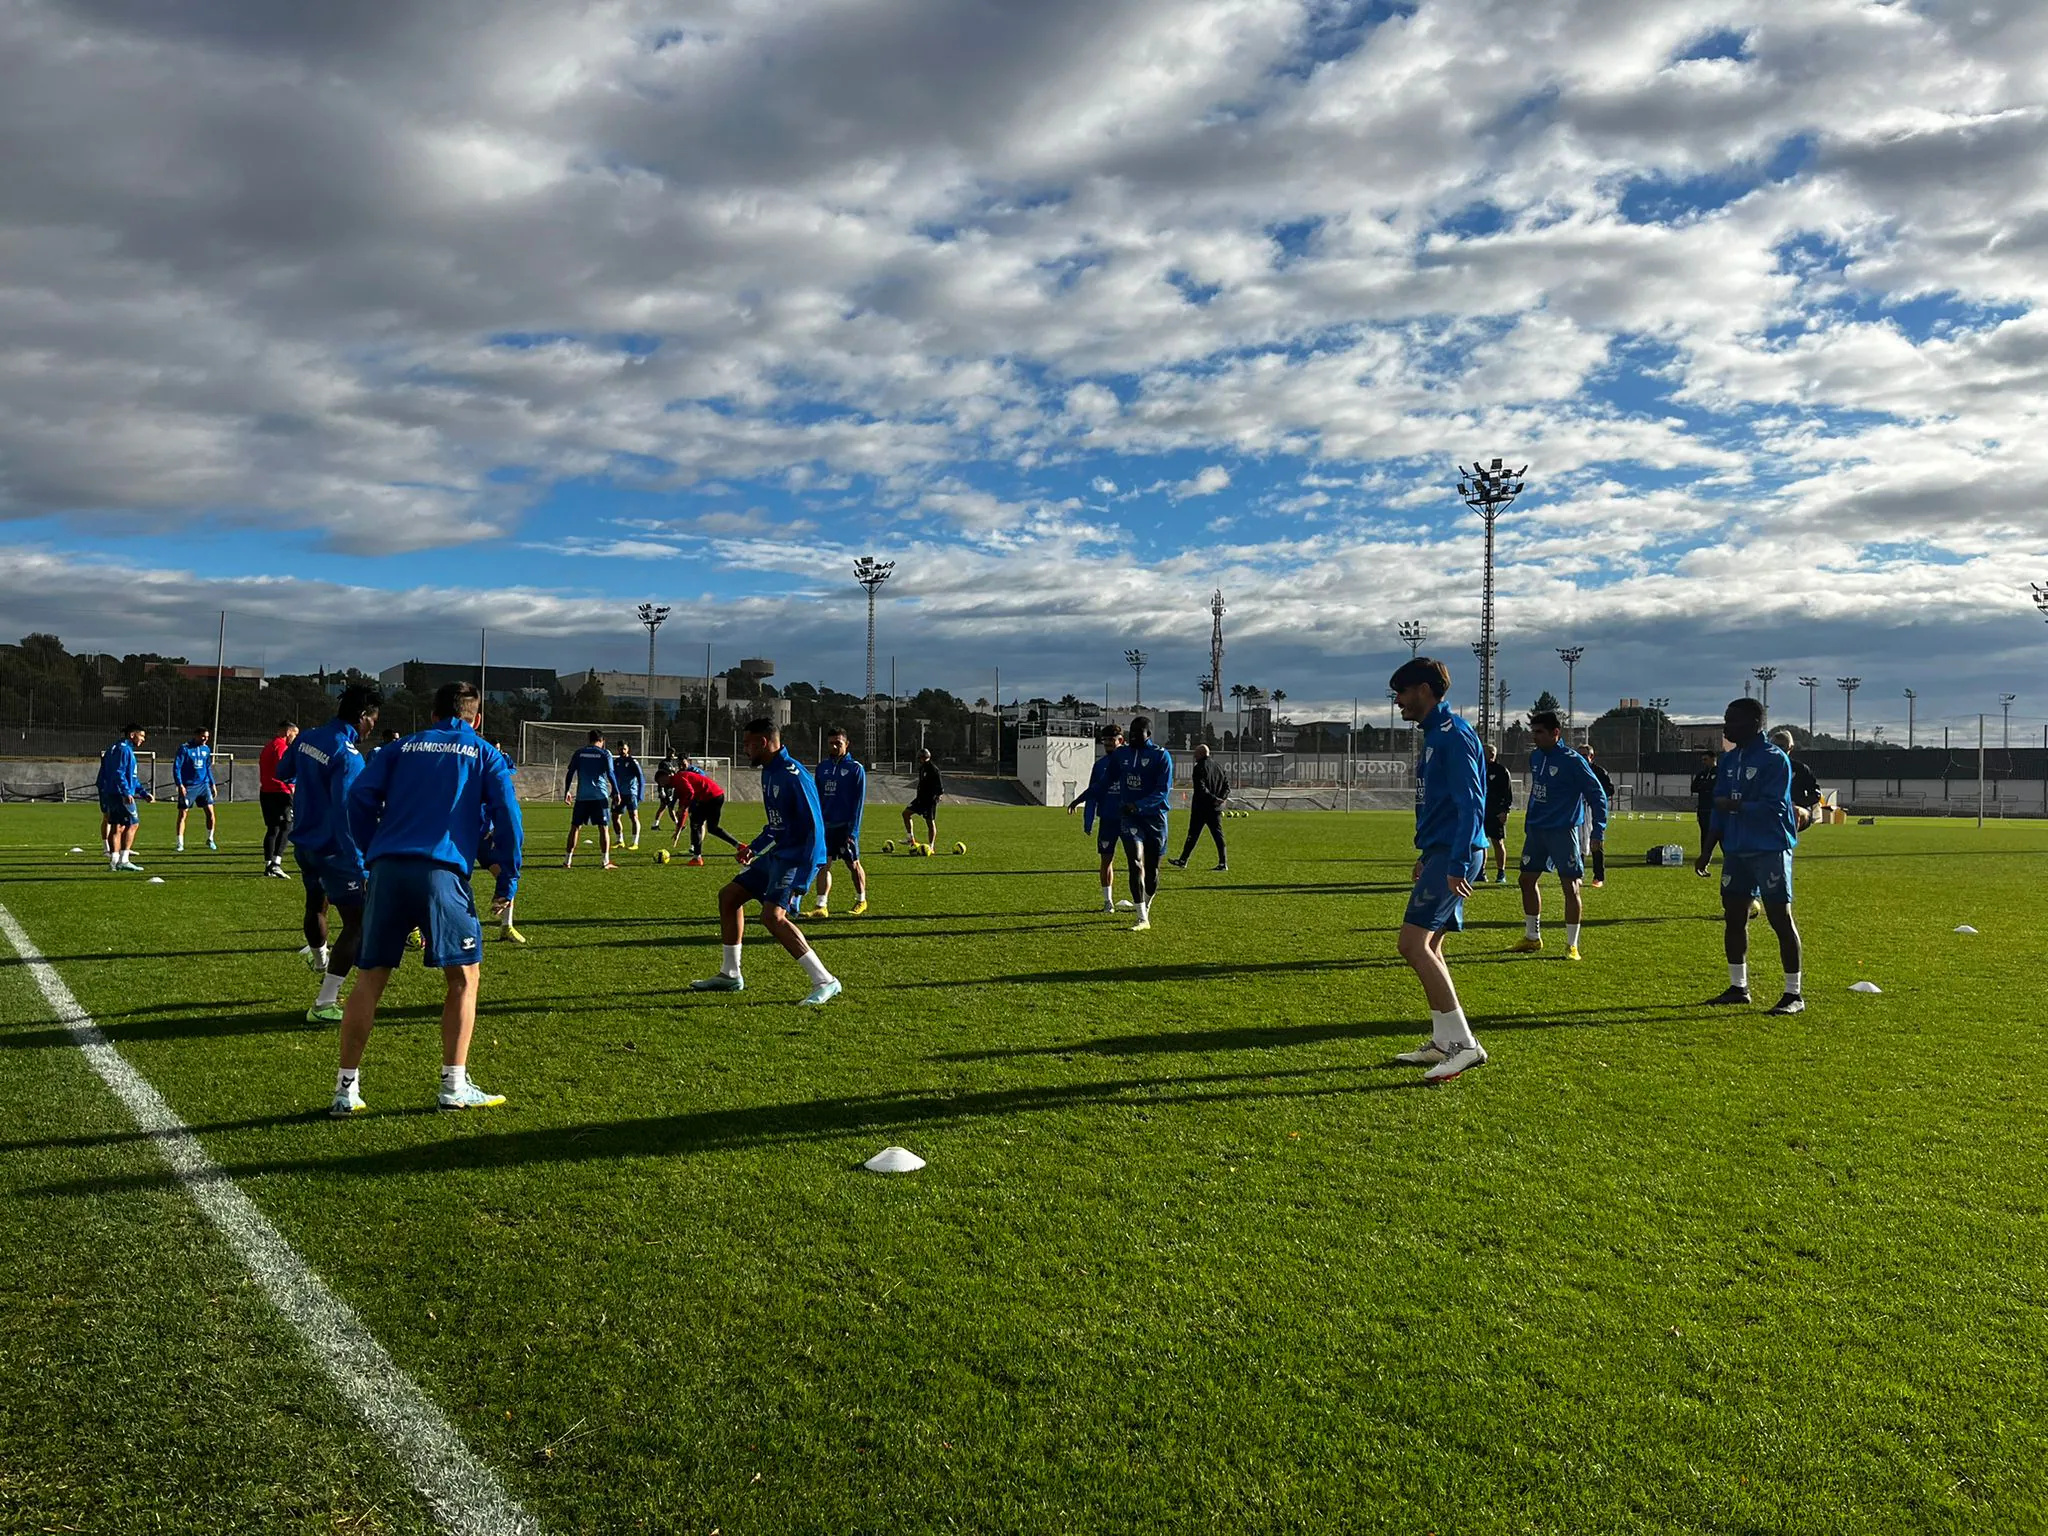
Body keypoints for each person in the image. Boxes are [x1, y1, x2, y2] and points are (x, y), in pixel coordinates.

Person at [333, 680, 524, 1115]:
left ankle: (346, 1090)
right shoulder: (483, 752)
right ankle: (453, 1085)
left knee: (369, 978)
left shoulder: (399, 749)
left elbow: (359, 797)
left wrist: (371, 849)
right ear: (477, 718)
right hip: (441, 873)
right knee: (463, 978)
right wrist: (507, 878)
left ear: (432, 714)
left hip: (387, 869)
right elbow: (508, 818)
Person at [1386, 658, 1489, 1083]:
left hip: (1456, 853)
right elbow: (1442, 805)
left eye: (1403, 693)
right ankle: (1445, 1040)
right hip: (1442, 852)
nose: (1398, 702)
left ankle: (1465, 1045)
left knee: (1411, 945)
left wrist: (1457, 861)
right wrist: (1428, 853)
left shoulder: (1454, 735)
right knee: (1433, 947)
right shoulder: (1434, 736)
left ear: (1425, 690)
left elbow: (1472, 805)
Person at [688, 718, 840, 1006]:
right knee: (729, 897)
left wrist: (802, 878)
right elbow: (778, 822)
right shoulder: (770, 771)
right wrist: (754, 848)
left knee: (772, 917)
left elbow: (814, 828)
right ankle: (731, 974)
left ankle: (825, 980)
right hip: (778, 854)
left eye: (747, 744)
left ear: (763, 743)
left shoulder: (793, 775)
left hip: (797, 857)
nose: (744, 750)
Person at [1695, 697, 1804, 1016]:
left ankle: (1793, 994)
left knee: (1779, 918)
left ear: (1754, 724)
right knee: (1734, 916)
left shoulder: (1774, 760)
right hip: (1737, 850)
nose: (1725, 726)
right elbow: (1718, 807)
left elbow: (1776, 808)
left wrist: (1738, 806)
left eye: (1731, 720)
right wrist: (1707, 850)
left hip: (1769, 848)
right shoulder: (1728, 761)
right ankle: (1738, 987)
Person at [286, 685, 380, 1023]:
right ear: (362, 716)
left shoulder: (308, 736)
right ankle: (325, 1003)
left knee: (316, 904)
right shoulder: (349, 754)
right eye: (372, 719)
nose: (372, 726)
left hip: (305, 845)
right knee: (359, 924)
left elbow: (284, 773)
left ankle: (319, 958)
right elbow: (345, 813)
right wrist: (356, 860)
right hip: (335, 851)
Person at [1510, 710, 1609, 961]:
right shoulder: (1536, 757)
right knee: (1526, 880)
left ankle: (1571, 945)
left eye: (1540, 732)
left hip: (1562, 831)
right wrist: (1529, 822)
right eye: (1533, 732)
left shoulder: (1573, 760)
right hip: (1537, 831)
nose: (1535, 738)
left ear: (1556, 732)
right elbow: (1537, 793)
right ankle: (1533, 938)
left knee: (1570, 886)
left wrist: (1598, 830)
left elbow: (1597, 795)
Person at [1108, 715, 1173, 932]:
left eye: (1138, 733)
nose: (1133, 737)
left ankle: (1146, 903)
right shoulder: (1121, 755)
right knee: (1135, 863)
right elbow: (1106, 781)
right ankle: (1141, 916)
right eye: (1131, 733)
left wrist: (1139, 805)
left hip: (1155, 818)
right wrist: (1084, 798)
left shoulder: (1161, 757)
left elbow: (1162, 791)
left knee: (1152, 871)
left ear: (1149, 734)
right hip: (1130, 817)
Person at [1066, 725, 1129, 913]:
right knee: (1106, 860)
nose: (1108, 743)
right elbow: (1094, 792)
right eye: (1105, 740)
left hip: (1129, 819)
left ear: (1121, 740)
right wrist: (1088, 818)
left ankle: (1140, 901)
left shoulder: (1130, 762)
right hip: (1108, 819)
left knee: (1136, 860)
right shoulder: (1100, 765)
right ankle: (1107, 901)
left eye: (1112, 739)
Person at [811, 726, 869, 918]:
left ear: (847, 744)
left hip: (845, 827)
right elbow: (816, 798)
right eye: (831, 743)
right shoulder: (822, 768)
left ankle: (861, 900)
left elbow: (858, 804)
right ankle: (821, 906)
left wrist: (852, 832)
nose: (835, 746)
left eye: (839, 743)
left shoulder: (855, 769)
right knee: (823, 865)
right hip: (825, 826)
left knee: (853, 864)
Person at [96, 724, 153, 872]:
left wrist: (143, 793)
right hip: (119, 793)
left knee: (117, 826)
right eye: (142, 736)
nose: (143, 740)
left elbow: (130, 777)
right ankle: (124, 860)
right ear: (132, 735)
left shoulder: (116, 748)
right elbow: (119, 773)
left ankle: (114, 862)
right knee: (133, 824)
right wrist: (127, 792)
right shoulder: (124, 750)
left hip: (111, 792)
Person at [562, 729, 617, 870]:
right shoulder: (604, 754)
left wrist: (567, 790)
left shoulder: (579, 753)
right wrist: (616, 791)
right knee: (603, 828)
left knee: (575, 827)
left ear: (589, 739)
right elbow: (610, 774)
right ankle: (605, 862)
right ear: (602, 741)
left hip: (582, 796)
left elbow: (570, 772)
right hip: (600, 796)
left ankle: (567, 861)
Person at [1169, 743, 1229, 871]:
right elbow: (1226, 786)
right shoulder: (1218, 766)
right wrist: (1220, 799)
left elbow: (1201, 789)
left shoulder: (1199, 767)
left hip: (1201, 808)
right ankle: (1223, 862)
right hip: (1215, 808)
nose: (1194, 756)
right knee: (1218, 835)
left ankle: (1183, 860)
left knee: (1193, 834)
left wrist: (1213, 799)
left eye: (1195, 753)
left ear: (1201, 754)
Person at [671, 759, 743, 863]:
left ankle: (697, 857)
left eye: (683, 763)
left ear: (688, 762)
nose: (681, 766)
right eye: (680, 764)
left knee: (696, 824)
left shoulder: (687, 776)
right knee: (711, 828)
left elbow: (690, 795)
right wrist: (678, 829)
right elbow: (685, 809)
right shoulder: (683, 779)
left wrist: (683, 808)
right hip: (714, 796)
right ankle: (739, 845)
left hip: (709, 797)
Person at [259, 721, 298, 878]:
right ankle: (276, 863)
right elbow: (285, 770)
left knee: (273, 828)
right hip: (281, 791)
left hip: (266, 791)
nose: (295, 738)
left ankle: (268, 865)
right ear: (288, 733)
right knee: (287, 825)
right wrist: (292, 786)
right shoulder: (282, 747)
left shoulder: (268, 746)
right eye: (295, 734)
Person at [172, 726, 217, 852]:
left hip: (203, 785)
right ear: (196, 735)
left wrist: (212, 784)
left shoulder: (206, 749)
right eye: (203, 736)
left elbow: (208, 768)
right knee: (183, 814)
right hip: (188, 786)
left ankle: (210, 839)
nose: (205, 739)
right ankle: (180, 843)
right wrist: (180, 784)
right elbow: (177, 768)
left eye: (207, 737)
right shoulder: (185, 748)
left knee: (210, 813)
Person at [1772, 729, 1824, 829]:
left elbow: (1816, 794)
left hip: (1797, 809)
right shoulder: (1764, 768)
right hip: (1771, 808)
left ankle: (1788, 840)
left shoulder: (1800, 769)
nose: (1778, 750)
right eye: (1775, 746)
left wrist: (1798, 802)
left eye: (1782, 746)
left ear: (1790, 747)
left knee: (1794, 811)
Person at [1580, 744, 1615, 886]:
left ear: (1591, 756)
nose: (1581, 758)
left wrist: (1597, 798)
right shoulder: (1574, 770)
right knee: (1578, 840)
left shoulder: (1599, 772)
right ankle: (1578, 874)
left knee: (1596, 841)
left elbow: (1609, 789)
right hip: (1579, 809)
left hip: (1594, 810)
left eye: (1584, 755)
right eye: (1579, 754)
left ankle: (1598, 877)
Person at [1483, 741, 1514, 884]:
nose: (1489, 756)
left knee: (1497, 842)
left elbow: (1508, 793)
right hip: (1480, 812)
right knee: (1480, 843)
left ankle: (1501, 872)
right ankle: (1480, 871)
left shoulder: (1501, 771)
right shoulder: (1477, 769)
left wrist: (1505, 811)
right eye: (1486, 753)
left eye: (1491, 753)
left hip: (1496, 812)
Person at [901, 748, 943, 850]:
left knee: (929, 822)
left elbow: (940, 786)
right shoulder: (922, 768)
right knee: (906, 813)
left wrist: (938, 795)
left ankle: (931, 846)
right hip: (920, 799)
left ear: (924, 758)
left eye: (920, 758)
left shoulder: (933, 769)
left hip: (929, 800)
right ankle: (910, 838)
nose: (918, 760)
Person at [612, 740, 647, 850]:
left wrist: (640, 794)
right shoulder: (616, 762)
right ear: (617, 749)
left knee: (634, 817)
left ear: (628, 750)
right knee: (614, 817)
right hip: (619, 794)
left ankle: (634, 842)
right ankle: (619, 840)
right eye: (620, 749)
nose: (622, 751)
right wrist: (613, 791)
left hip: (630, 794)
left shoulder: (632, 762)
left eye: (624, 749)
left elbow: (641, 778)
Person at [1689, 749, 1719, 860]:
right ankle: (1705, 856)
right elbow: (1694, 787)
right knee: (1704, 833)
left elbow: (1716, 788)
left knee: (1718, 833)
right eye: (1702, 760)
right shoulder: (1702, 774)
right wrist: (1706, 787)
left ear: (1713, 759)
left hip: (1715, 809)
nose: (1704, 762)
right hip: (1703, 809)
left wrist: (1705, 787)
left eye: (1705, 759)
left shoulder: (1720, 772)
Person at [650, 751, 681, 831]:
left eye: (673, 754)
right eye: (670, 753)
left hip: (670, 788)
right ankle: (678, 824)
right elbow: (661, 777)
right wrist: (661, 790)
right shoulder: (663, 763)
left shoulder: (671, 764)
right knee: (670, 807)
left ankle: (655, 825)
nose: (672, 755)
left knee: (663, 807)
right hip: (665, 788)